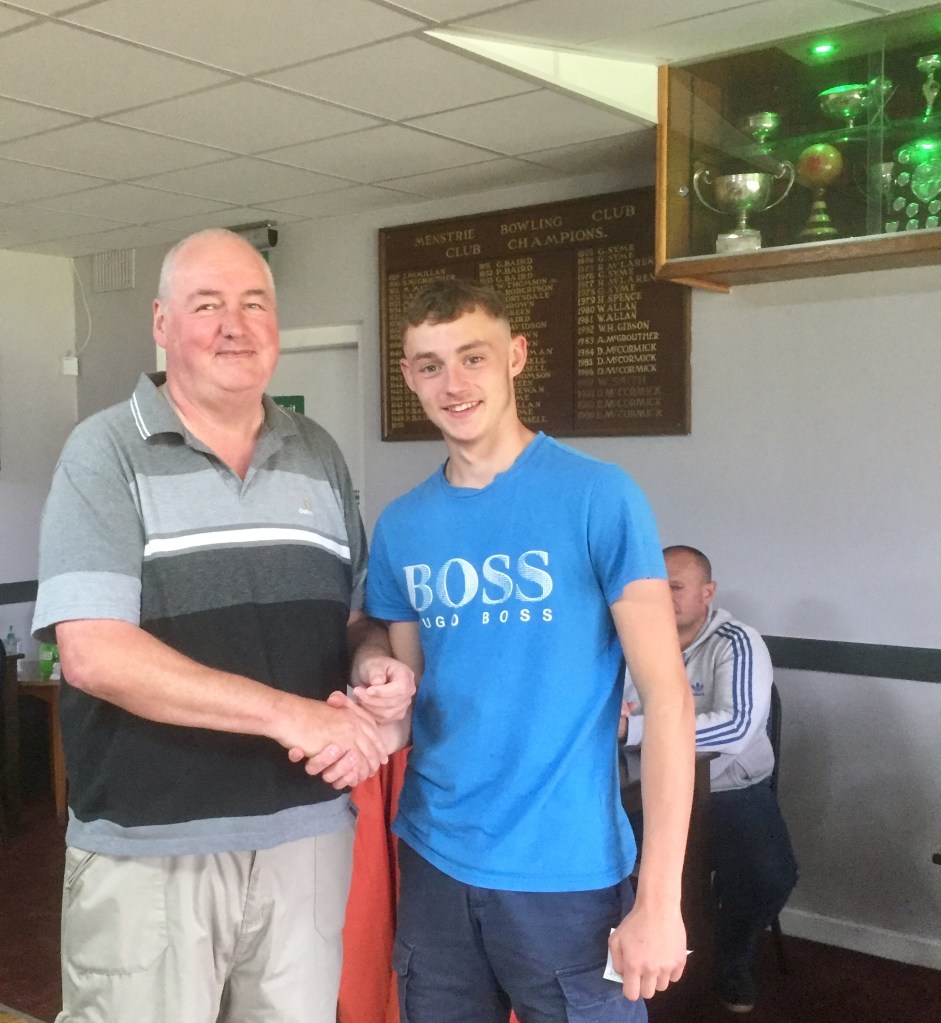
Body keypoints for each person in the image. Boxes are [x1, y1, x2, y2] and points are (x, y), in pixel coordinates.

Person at [31, 228, 414, 1023]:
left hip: (307, 840)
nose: (234, 325)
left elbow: (351, 616)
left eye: (253, 303)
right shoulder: (104, 452)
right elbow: (95, 653)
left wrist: (372, 666)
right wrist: (289, 714)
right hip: (152, 849)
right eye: (207, 305)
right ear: (161, 322)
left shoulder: (318, 453)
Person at [350, 277, 695, 1022]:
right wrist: (370, 695)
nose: (453, 383)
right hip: (435, 863)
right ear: (409, 377)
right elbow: (410, 701)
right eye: (431, 365)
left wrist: (660, 901)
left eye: (472, 357)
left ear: (515, 356)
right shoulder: (402, 526)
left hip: (567, 875)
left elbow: (668, 699)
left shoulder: (598, 495)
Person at [621, 545, 799, 1015]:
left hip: (728, 789)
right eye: (655, 587)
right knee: (604, 869)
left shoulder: (737, 642)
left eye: (676, 587)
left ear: (707, 592)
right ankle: (627, 974)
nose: (664, 597)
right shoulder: (628, 639)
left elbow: (736, 728)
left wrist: (635, 728)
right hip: (643, 791)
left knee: (769, 877)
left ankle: (731, 958)